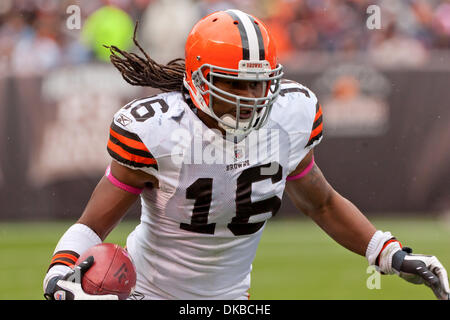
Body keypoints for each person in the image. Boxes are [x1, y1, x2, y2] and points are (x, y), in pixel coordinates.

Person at [43, 9, 450, 300]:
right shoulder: (159, 131)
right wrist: (60, 270)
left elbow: (323, 204)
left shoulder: (289, 118)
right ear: (200, 80)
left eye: (259, 84)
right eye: (235, 85)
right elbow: (93, 223)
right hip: (148, 291)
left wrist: (391, 254)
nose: (252, 98)